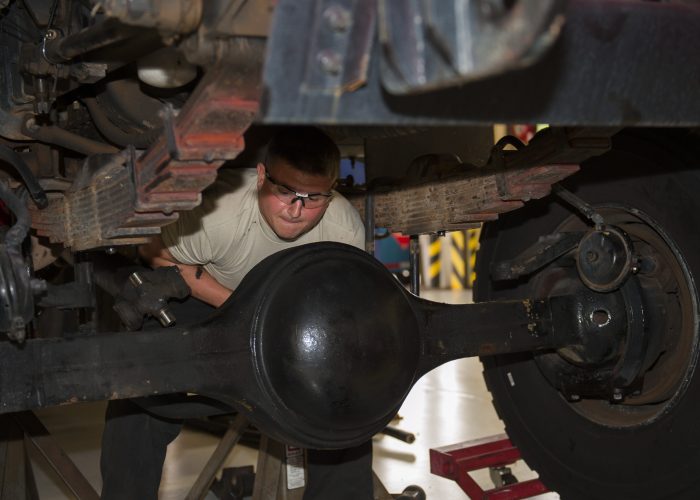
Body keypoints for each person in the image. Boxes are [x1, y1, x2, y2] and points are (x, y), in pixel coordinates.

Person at [100, 126, 373, 500]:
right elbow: (154, 251)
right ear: (262, 176)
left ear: (332, 189)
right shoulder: (217, 214)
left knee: (346, 397)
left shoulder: (342, 232)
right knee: (142, 389)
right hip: (210, 301)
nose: (296, 211)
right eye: (285, 193)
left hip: (291, 319)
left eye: (313, 199)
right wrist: (239, 306)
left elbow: (344, 310)